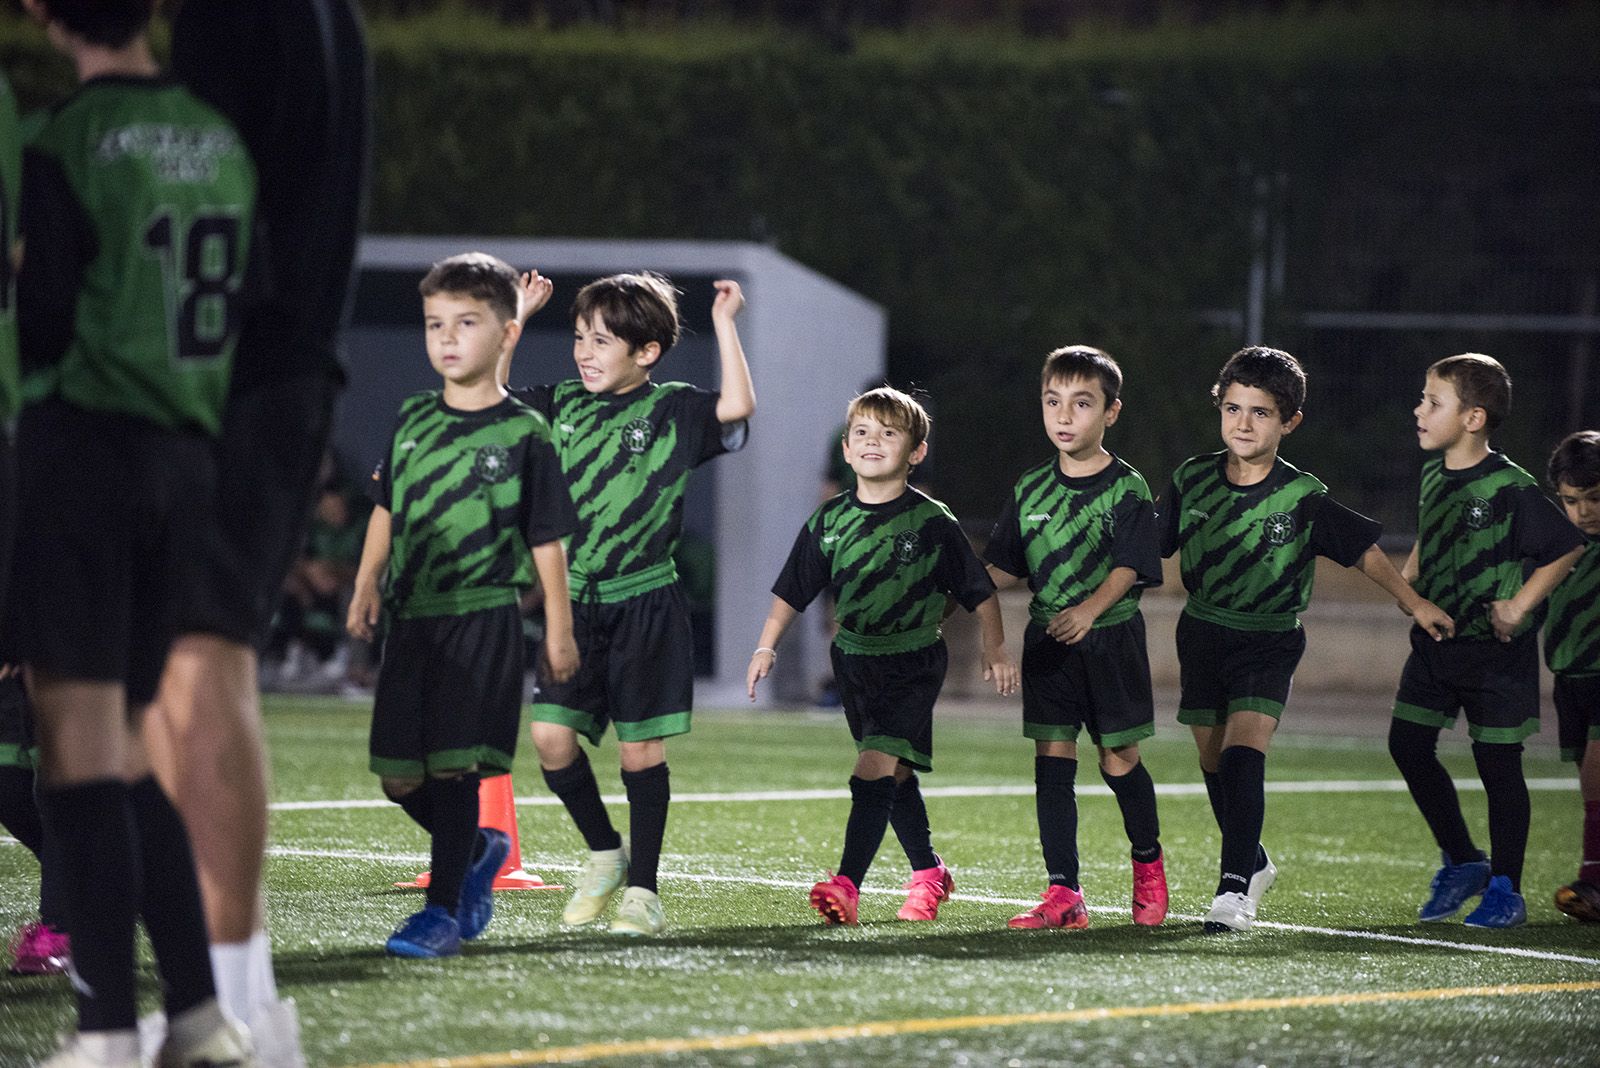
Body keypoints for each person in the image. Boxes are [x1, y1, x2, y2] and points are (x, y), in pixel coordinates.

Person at [12, 0, 257, 1063]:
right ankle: (195, 1011)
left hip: (86, 452)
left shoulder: (67, 136)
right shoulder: (218, 135)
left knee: (78, 755)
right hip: (185, 463)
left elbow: (50, 320)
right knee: (124, 754)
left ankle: (109, 1027)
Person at [136, 2, 367, 1059]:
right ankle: (232, 999)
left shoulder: (241, 14)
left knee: (196, 660)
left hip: (236, 369)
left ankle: (229, 1009)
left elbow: (208, 209)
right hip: (270, 363)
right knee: (181, 665)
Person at [1161, 347, 1455, 934]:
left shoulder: (1302, 496)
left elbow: (1365, 552)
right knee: (1214, 761)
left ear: (1289, 422)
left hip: (1268, 639)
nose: (1243, 424)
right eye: (1233, 408)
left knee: (1246, 754)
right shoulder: (1191, 478)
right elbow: (1147, 548)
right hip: (1201, 632)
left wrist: (1414, 602)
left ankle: (1234, 888)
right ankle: (1255, 859)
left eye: (1261, 413)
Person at [507, 269, 754, 937]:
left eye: (602, 341)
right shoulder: (558, 402)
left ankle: (643, 890)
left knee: (640, 754)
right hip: (575, 606)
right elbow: (489, 404)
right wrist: (518, 320)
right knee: (551, 740)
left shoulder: (670, 408)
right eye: (580, 337)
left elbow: (735, 408)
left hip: (646, 603)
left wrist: (726, 325)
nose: (585, 352)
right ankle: (604, 852)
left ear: (646, 352)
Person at [346, 253, 578, 958]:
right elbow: (387, 507)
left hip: (483, 617)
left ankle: (441, 911)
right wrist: (365, 583)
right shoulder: (414, 417)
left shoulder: (524, 434)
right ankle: (478, 846)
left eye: (466, 323)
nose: (447, 338)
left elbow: (548, 539)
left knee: (453, 767)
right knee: (397, 776)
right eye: (434, 324)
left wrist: (559, 630)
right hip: (413, 618)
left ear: (506, 332)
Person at [748, 386, 1017, 925]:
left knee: (872, 767)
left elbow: (979, 591)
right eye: (862, 434)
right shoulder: (828, 522)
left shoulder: (932, 520)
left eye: (889, 434)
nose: (873, 443)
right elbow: (791, 591)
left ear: (915, 452)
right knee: (892, 773)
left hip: (913, 659)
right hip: (853, 660)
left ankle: (847, 885)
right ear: (846, 450)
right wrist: (765, 645)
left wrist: (995, 648)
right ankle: (929, 872)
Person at [1388, 353, 1584, 929]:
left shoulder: (1509, 485)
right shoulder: (1432, 474)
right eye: (1423, 399)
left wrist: (1520, 605)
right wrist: (1409, 583)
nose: (1419, 411)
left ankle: (1507, 887)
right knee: (1408, 745)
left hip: (1494, 654)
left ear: (1473, 418)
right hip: (1436, 644)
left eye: (1433, 402)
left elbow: (1567, 546)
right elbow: (1431, 535)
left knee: (1497, 763)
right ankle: (1465, 861)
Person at [984, 346, 1167, 930]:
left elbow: (1129, 567)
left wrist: (1089, 610)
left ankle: (1147, 863)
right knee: (1052, 762)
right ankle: (1064, 893)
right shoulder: (1031, 487)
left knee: (1118, 762)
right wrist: (949, 589)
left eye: (1082, 403)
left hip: (1111, 642)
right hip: (1049, 643)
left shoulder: (1128, 488)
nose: (1064, 416)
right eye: (1053, 401)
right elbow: (1003, 566)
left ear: (1111, 413)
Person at [1546, 431, 1600, 923]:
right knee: (1589, 780)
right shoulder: (1561, 546)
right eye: (1571, 501)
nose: (1582, 511)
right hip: (1572, 675)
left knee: (1596, 768)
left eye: (1594, 499)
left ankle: (1593, 881)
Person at [0, 670, 70, 976]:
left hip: (56, 660)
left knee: (60, 799)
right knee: (8, 792)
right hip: (10, 686)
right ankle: (97, 883)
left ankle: (61, 928)